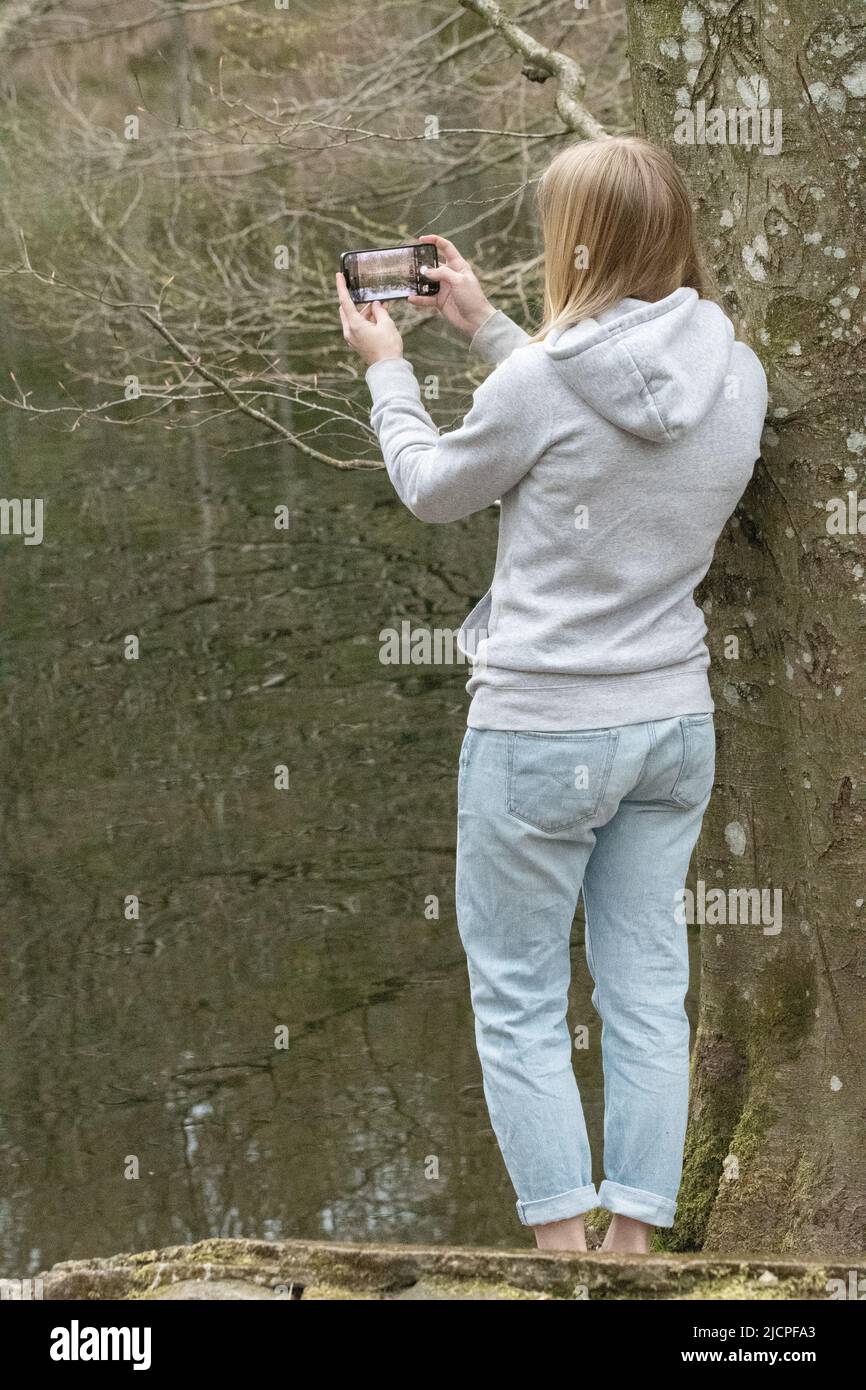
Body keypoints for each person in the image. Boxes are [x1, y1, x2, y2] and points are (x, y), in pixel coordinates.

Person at [336, 136, 767, 1254]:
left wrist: (387, 367)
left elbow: (435, 487)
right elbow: (612, 412)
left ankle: (559, 1258)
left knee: (521, 997)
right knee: (643, 989)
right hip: (670, 726)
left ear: (571, 240)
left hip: (541, 730)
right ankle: (633, 1244)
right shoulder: (736, 367)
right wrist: (482, 329)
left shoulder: (541, 380)